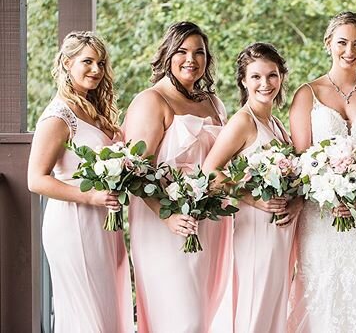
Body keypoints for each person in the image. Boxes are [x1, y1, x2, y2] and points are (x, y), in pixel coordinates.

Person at [287, 11, 356, 333]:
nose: (350, 51)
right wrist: (327, 192)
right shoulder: (307, 94)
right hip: (320, 212)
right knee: (321, 290)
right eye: (342, 42)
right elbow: (299, 161)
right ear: (328, 44)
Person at [123, 21, 230, 332]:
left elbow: (221, 162)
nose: (191, 59)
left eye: (199, 52)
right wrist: (167, 215)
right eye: (182, 51)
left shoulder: (212, 102)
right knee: (182, 317)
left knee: (207, 313)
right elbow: (134, 173)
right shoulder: (151, 101)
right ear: (167, 55)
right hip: (165, 225)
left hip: (210, 222)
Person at [27, 31, 134, 332]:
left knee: (104, 308)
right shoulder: (58, 116)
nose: (96, 70)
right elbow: (36, 179)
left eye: (101, 63)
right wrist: (91, 197)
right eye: (87, 61)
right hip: (74, 222)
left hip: (103, 222)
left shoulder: (93, 110)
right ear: (66, 62)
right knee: (85, 314)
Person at [202, 42, 300, 333]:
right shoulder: (243, 122)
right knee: (254, 306)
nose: (265, 83)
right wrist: (252, 199)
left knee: (273, 306)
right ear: (244, 81)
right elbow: (209, 173)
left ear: (281, 77)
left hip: (280, 231)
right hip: (256, 228)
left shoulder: (278, 124)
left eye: (272, 75)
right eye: (256, 76)